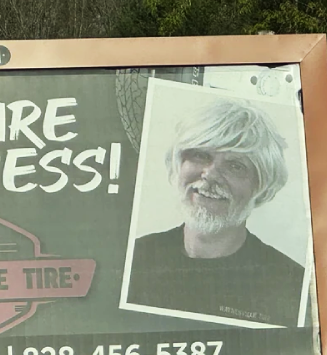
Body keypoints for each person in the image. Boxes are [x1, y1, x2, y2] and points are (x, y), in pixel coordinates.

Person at [126, 99, 305, 326]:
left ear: (261, 189)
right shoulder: (134, 259)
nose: (210, 175)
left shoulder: (291, 284)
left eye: (236, 166)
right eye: (200, 155)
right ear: (177, 165)